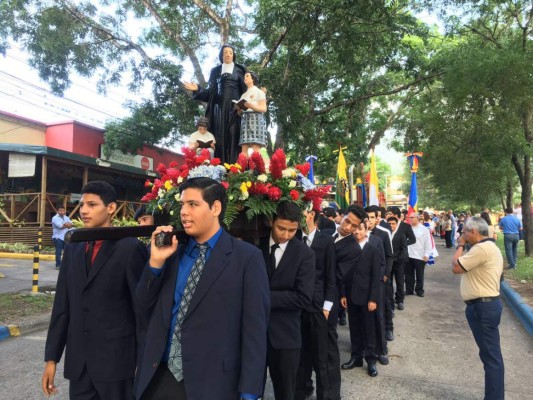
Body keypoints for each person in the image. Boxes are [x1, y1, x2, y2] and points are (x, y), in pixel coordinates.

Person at [133, 177, 270, 400]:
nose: (184, 212)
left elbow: (255, 330)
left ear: (215, 207)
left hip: (214, 383)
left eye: (193, 204)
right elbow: (142, 308)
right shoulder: (171, 252)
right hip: (160, 378)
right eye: (182, 205)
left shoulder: (246, 258)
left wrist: (250, 393)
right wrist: (155, 264)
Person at [42, 181, 148, 399]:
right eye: (81, 205)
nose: (84, 211)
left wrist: (143, 361)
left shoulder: (129, 248)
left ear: (110, 208)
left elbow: (142, 310)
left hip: (117, 364)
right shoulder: (73, 247)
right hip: (79, 365)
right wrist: (51, 358)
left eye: (92, 205)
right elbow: (62, 306)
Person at [259, 201, 315, 400]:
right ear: (271, 221)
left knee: (285, 392)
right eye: (281, 228)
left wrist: (260, 297)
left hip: (285, 336)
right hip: (253, 334)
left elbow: (303, 297)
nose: (285, 235)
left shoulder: (305, 255)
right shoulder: (255, 246)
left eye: (292, 230)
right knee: (250, 391)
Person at [452, 217, 504, 400]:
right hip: (485, 306)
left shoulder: (482, 249)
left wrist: (459, 246)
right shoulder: (489, 248)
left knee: (491, 357)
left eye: (465, 232)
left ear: (473, 231)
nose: (463, 235)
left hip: (483, 307)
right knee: (490, 355)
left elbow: (456, 267)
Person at [295, 206, 336, 400]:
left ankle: (324, 395)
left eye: (302, 214)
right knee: (300, 354)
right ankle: (302, 390)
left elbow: (330, 276)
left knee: (321, 356)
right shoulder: (293, 238)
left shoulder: (326, 241)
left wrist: (327, 306)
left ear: (311, 214)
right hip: (297, 305)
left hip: (318, 306)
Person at [183, 44, 246, 163]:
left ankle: (235, 170)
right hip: (218, 111)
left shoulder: (240, 69)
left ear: (233, 55)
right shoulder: (215, 71)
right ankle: (219, 169)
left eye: (230, 52)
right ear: (221, 55)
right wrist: (197, 89)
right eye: (225, 52)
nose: (228, 54)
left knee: (234, 136)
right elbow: (209, 92)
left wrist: (245, 105)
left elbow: (246, 91)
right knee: (218, 138)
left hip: (235, 110)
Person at [341, 220, 381, 377]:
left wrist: (373, 298)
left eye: (360, 229)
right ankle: (356, 357)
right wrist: (343, 294)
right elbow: (342, 273)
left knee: (368, 328)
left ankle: (371, 359)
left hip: (366, 297)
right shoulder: (347, 249)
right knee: (355, 327)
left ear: (366, 230)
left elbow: (376, 275)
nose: (357, 232)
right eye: (355, 229)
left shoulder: (372, 250)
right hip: (350, 295)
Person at [237, 71, 268, 156]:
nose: (245, 78)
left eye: (247, 76)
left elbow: (263, 108)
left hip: (256, 119)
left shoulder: (259, 92)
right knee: (244, 147)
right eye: (244, 76)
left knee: (255, 146)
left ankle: (257, 168)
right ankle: (243, 168)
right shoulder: (243, 95)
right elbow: (240, 112)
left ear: (253, 79)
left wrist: (251, 105)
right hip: (245, 120)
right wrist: (239, 110)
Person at [406, 212, 432, 297]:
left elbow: (428, 243)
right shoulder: (408, 228)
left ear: (417, 218)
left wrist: (427, 254)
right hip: (409, 255)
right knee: (409, 274)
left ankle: (419, 290)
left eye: (412, 217)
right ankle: (409, 289)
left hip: (420, 256)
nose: (410, 219)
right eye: (409, 218)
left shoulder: (424, 229)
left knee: (419, 274)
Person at [51, 205, 73, 269]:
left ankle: (65, 265)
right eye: (60, 210)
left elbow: (71, 225)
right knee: (58, 252)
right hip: (57, 238)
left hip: (65, 237)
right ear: (57, 211)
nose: (62, 212)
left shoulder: (66, 217)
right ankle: (58, 265)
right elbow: (60, 226)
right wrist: (67, 225)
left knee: (66, 252)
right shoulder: (54, 218)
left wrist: (66, 224)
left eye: (63, 210)